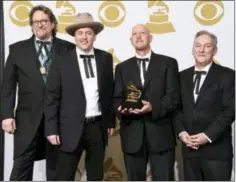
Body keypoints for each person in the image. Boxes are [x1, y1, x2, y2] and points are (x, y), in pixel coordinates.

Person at [0, 5, 75, 181]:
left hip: (59, 119)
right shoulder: (17, 50)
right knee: (21, 169)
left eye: (43, 21)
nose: (39, 25)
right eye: (35, 22)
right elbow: (8, 86)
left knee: (58, 169)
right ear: (31, 25)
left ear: (52, 24)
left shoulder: (68, 49)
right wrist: (6, 115)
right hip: (27, 119)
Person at [44, 12, 115, 181]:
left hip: (97, 127)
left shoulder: (105, 58)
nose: (84, 37)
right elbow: (52, 96)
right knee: (64, 176)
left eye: (88, 33)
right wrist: (51, 128)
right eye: (80, 33)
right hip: (68, 128)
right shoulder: (60, 60)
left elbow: (109, 93)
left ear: (94, 36)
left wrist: (110, 121)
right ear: (74, 37)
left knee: (96, 175)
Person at [113, 24, 180, 181]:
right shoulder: (122, 67)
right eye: (134, 33)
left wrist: (153, 108)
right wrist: (121, 110)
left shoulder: (168, 63)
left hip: (161, 134)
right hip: (132, 135)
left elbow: (173, 97)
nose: (138, 36)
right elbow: (116, 98)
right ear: (131, 40)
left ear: (151, 37)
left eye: (142, 33)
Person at [174, 30, 235, 181]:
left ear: (215, 51)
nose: (201, 50)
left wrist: (207, 136)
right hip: (189, 151)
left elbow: (230, 110)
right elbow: (175, 109)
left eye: (207, 46)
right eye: (198, 45)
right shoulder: (181, 76)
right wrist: (181, 133)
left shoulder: (228, 75)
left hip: (217, 152)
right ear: (193, 49)